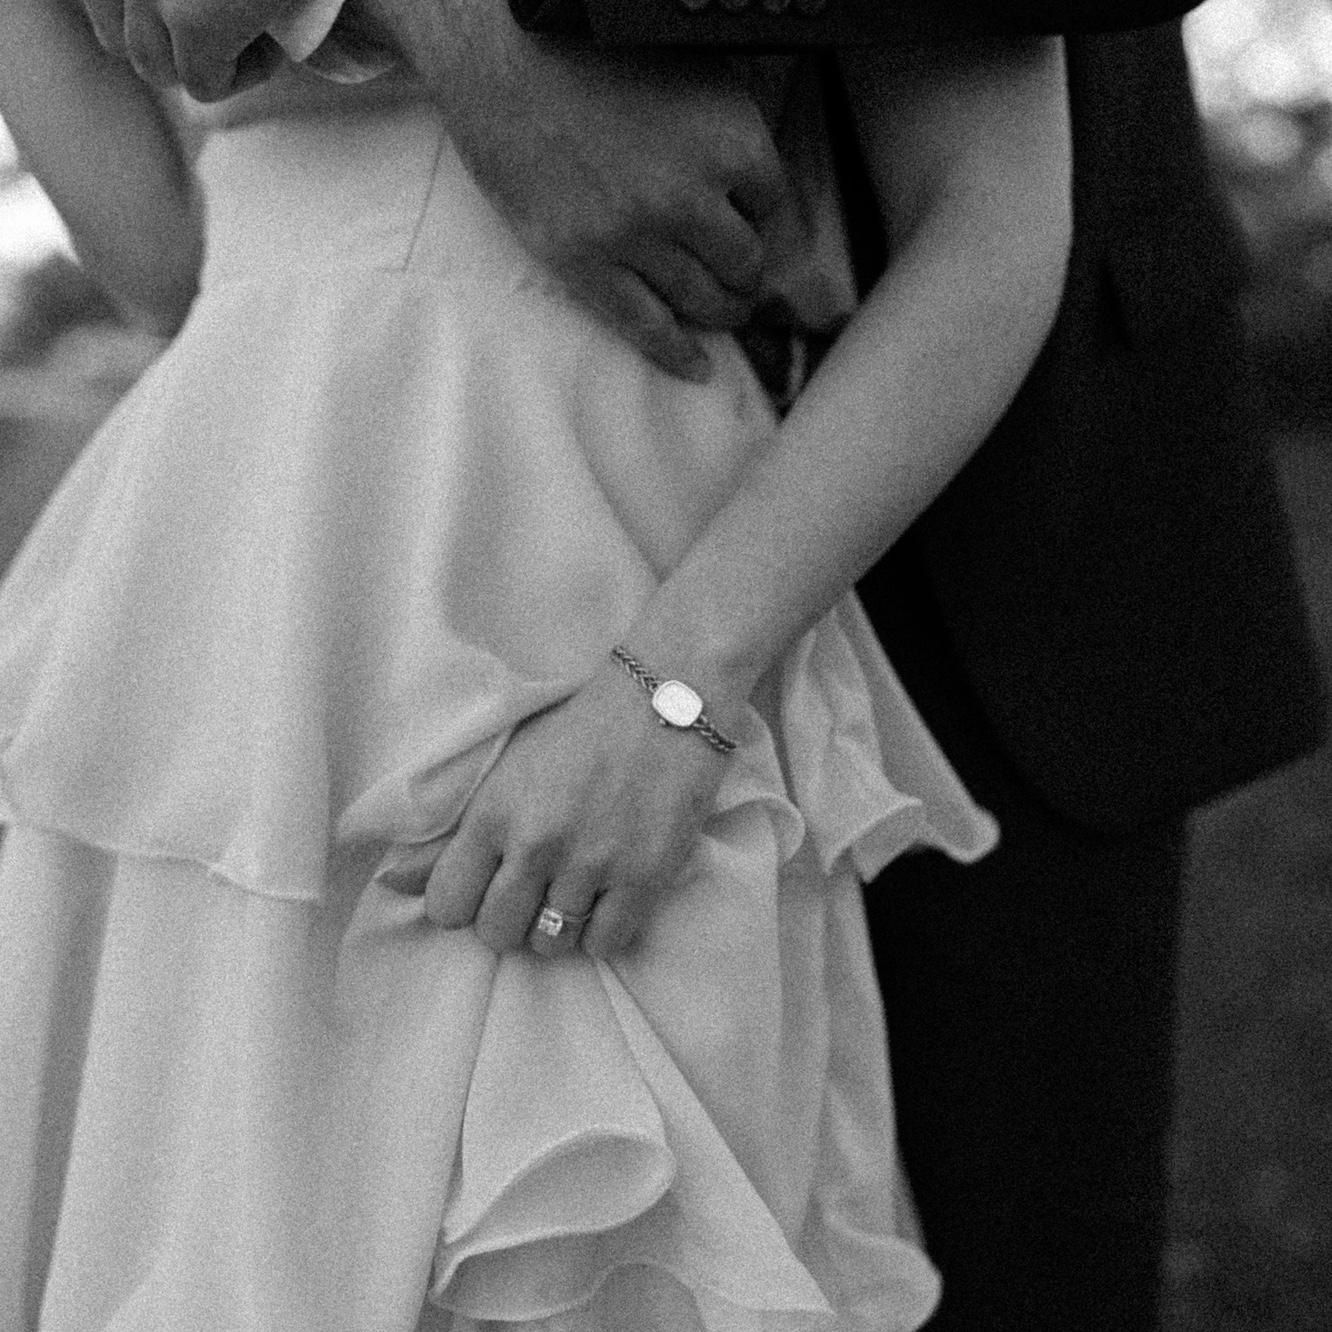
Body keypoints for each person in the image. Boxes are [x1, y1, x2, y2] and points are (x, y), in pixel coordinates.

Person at [78, 0, 1328, 1327]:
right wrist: (454, 49)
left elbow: (161, 244)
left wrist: (667, 697)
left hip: (992, 477)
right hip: (475, 544)